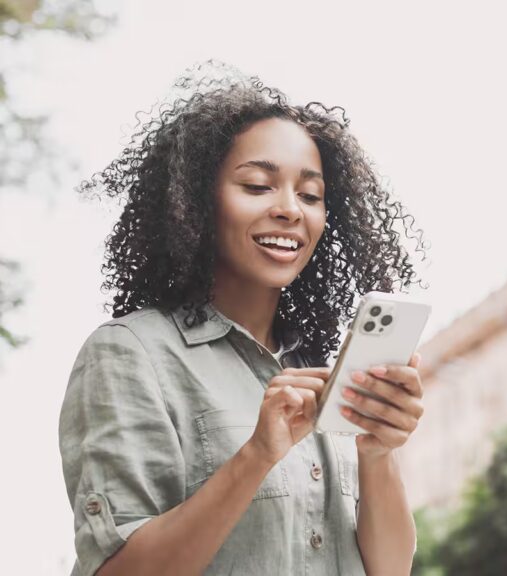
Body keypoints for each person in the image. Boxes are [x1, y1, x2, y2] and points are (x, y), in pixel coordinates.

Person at [59, 62, 428, 576]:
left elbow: (389, 569)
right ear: (195, 202)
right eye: (257, 186)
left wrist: (377, 451)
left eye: (310, 195)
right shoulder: (131, 354)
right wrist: (256, 455)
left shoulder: (320, 372)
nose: (290, 210)